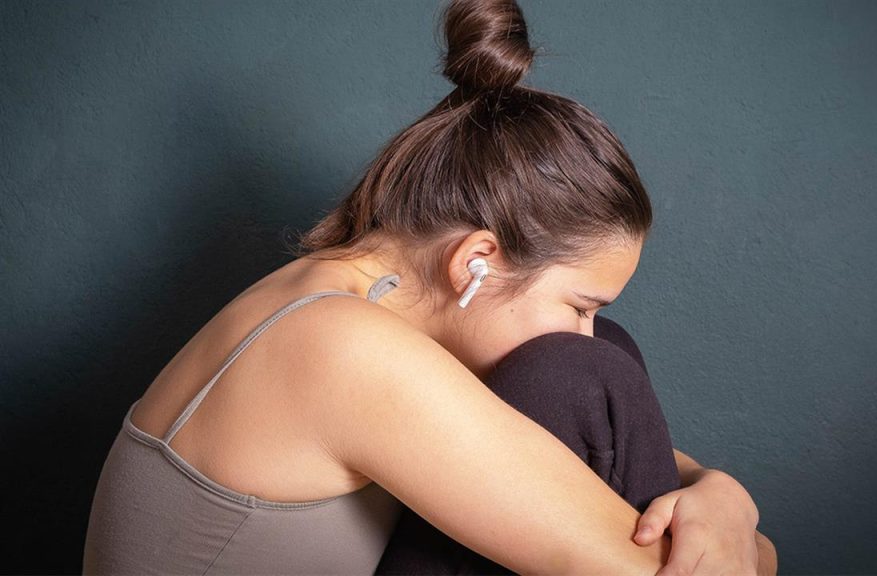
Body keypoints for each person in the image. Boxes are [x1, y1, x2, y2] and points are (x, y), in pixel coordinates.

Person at [82, 0, 776, 573]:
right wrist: (733, 535)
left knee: (598, 361)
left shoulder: (350, 300)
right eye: (579, 305)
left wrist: (720, 493)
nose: (584, 326)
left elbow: (672, 496)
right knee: (584, 370)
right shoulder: (339, 348)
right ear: (477, 261)